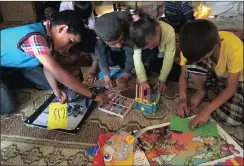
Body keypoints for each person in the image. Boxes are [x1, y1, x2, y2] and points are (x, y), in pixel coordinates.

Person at [0, 10, 106, 115]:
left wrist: (56, 89)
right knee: (8, 107)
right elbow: (59, 73)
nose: (67, 49)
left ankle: (8, 76)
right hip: (9, 64)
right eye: (70, 41)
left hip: (21, 62)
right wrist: (94, 96)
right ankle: (6, 77)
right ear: (62, 28)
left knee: (50, 84)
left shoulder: (49, 34)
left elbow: (48, 68)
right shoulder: (35, 38)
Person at [177, 19, 243, 130]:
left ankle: (213, 94)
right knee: (191, 64)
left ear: (219, 42)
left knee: (233, 119)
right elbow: (183, 74)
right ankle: (202, 90)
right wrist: (182, 99)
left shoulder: (235, 47)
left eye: (202, 57)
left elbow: (231, 87)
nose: (200, 60)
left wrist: (207, 110)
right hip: (211, 76)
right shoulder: (189, 45)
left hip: (231, 81)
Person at [130, 9, 176, 93]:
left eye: (152, 45)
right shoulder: (139, 35)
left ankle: (149, 67)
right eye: (148, 47)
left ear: (157, 31)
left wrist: (162, 80)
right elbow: (137, 57)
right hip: (149, 56)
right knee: (145, 58)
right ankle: (145, 68)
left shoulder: (170, 32)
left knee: (174, 72)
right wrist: (142, 80)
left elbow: (169, 57)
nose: (151, 48)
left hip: (161, 55)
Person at [94, 11, 134, 90]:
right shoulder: (100, 34)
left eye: (121, 39)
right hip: (111, 48)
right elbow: (101, 54)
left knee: (129, 63)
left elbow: (131, 53)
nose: (119, 45)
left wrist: (125, 76)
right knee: (109, 61)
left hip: (128, 38)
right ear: (99, 38)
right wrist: (106, 77)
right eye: (113, 43)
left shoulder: (128, 25)